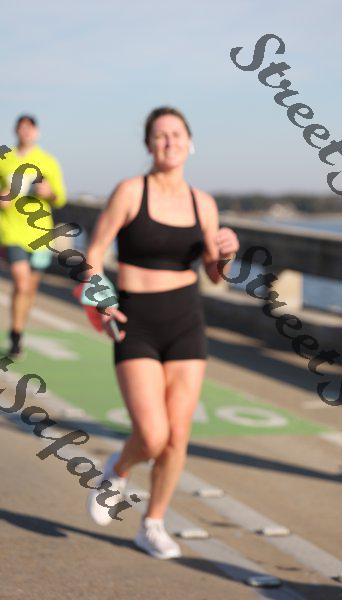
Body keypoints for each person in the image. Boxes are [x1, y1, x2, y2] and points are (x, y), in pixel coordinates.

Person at [86, 106, 239, 559]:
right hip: (135, 320)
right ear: (149, 145)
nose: (169, 141)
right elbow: (94, 252)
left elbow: (214, 275)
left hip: (185, 322)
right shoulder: (131, 191)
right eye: (160, 135)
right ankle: (118, 468)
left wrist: (226, 255)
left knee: (177, 436)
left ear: (190, 143)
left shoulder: (203, 203)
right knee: (152, 435)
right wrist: (101, 299)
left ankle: (152, 524)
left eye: (176, 134)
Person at [0, 115, 66, 358]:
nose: (26, 132)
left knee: (30, 288)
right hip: (11, 231)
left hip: (40, 234)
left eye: (30, 128)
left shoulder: (48, 161)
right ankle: (16, 336)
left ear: (36, 132)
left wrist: (49, 193)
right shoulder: (4, 159)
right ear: (16, 130)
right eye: (22, 128)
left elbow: (60, 197)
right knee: (21, 282)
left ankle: (19, 329)